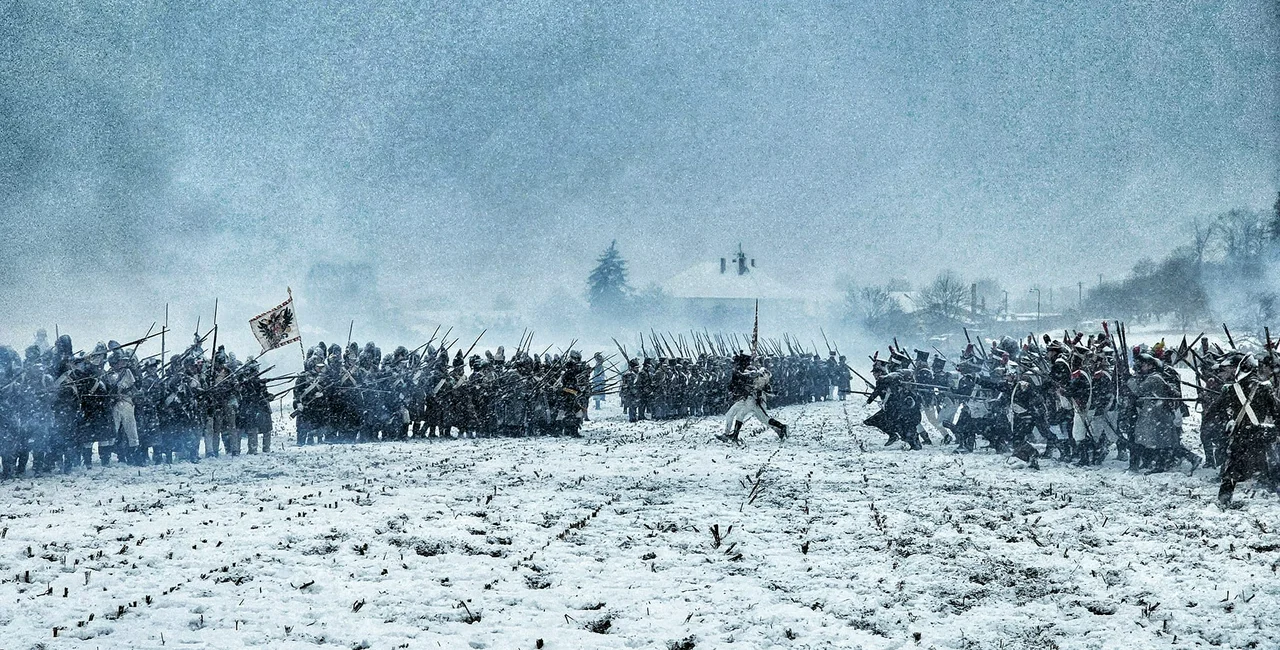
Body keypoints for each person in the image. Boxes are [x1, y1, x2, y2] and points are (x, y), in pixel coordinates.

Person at [718, 353, 787, 443]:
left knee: (763, 419)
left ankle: (782, 427)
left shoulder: (752, 371)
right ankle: (731, 435)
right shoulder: (745, 371)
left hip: (754, 399)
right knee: (736, 414)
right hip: (747, 398)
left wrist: (742, 377)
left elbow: (752, 379)